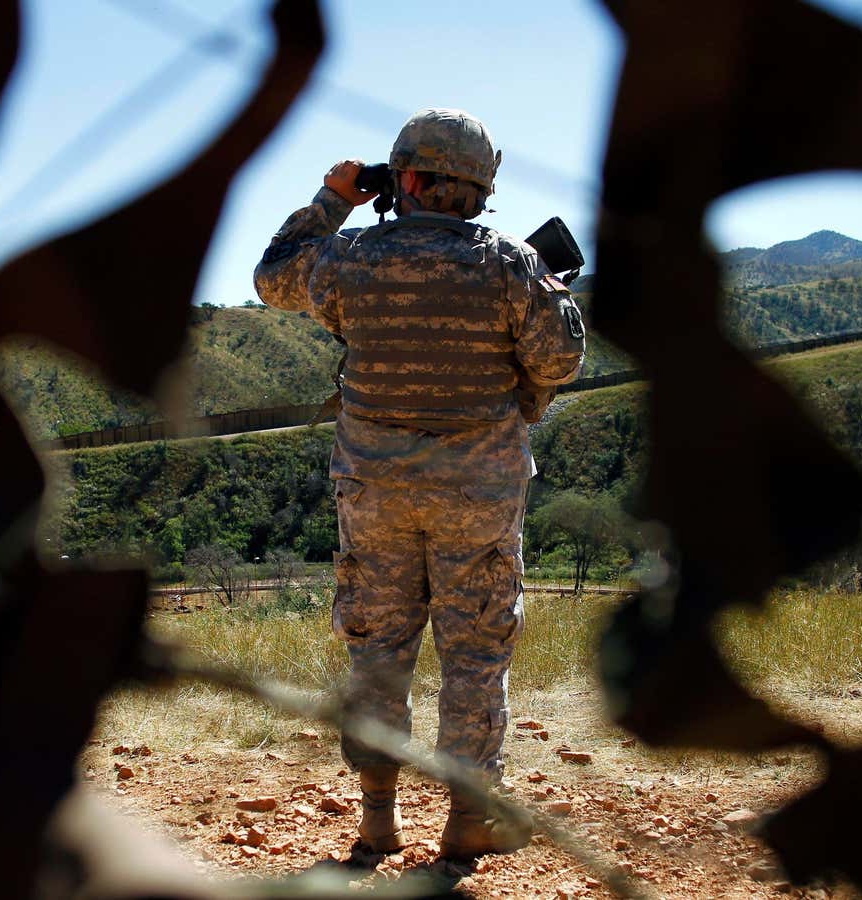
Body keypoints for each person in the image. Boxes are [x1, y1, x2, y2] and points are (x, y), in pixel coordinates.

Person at [253, 108, 585, 859]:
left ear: (403, 177)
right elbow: (560, 361)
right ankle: (469, 820)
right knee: (474, 652)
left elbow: (274, 275)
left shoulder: (349, 260)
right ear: (478, 187)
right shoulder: (510, 263)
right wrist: (553, 294)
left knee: (378, 646)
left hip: (374, 491)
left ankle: (377, 817)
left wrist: (335, 197)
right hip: (480, 493)